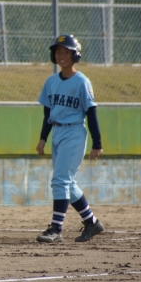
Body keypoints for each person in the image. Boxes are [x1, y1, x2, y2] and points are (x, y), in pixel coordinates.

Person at [35, 34, 105, 243]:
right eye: (58, 52)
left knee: (60, 181)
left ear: (75, 55)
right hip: (57, 132)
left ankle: (56, 228)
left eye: (66, 52)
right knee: (68, 183)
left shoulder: (82, 82)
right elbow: (48, 114)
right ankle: (92, 223)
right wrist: (43, 138)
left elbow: (91, 113)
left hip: (74, 133)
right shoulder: (51, 82)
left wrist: (97, 143)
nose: (61, 55)